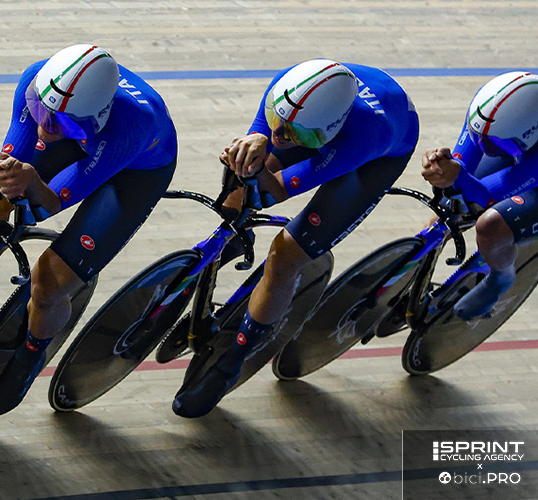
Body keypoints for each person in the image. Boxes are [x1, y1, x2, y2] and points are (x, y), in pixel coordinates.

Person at [173, 59, 420, 418]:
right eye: (275, 122)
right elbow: (268, 145)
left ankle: (231, 362)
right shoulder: (288, 89)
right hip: (316, 120)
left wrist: (261, 166)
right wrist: (250, 148)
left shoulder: (366, 135)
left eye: (292, 135)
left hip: (374, 156)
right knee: (238, 192)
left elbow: (275, 191)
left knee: (286, 256)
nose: (278, 138)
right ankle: (232, 241)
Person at [0, 44, 178, 417]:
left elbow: (47, 205)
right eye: (40, 111)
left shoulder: (131, 126)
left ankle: (30, 356)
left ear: (96, 116)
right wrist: (0, 167)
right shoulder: (36, 80)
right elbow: (16, 159)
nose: (44, 128)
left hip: (134, 172)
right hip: (87, 137)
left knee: (49, 283)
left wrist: (32, 183)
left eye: (60, 123)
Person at [420, 72, 538, 319]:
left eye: (500, 147)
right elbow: (461, 165)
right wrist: (443, 166)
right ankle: (414, 268)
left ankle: (501, 278)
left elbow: (484, 198)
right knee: (449, 209)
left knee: (490, 225)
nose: (489, 151)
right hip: (524, 150)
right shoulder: (487, 105)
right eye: (481, 141)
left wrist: (456, 175)